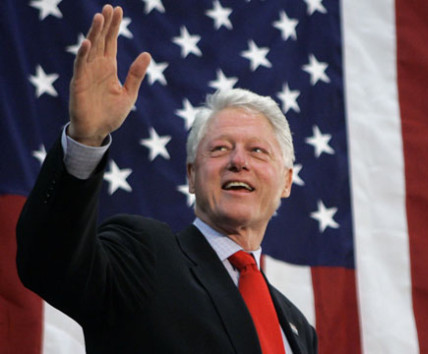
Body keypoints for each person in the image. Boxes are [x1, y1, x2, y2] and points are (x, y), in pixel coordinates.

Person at [16, 4, 317, 354]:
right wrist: (86, 139)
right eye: (220, 148)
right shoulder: (144, 255)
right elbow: (48, 263)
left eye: (258, 151)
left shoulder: (297, 328)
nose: (238, 161)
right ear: (191, 175)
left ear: (286, 181)